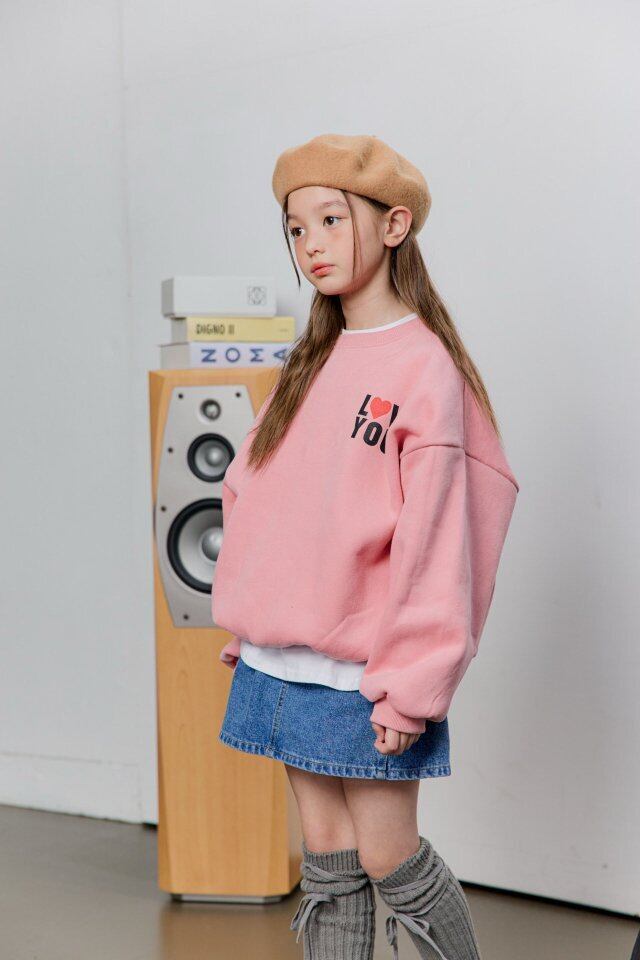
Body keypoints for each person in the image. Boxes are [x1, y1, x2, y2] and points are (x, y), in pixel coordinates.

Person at [211, 133, 520, 960]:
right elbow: (257, 498)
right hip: (283, 660)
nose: (310, 243)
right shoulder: (309, 361)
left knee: (390, 857)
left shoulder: (424, 368)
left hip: (365, 676)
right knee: (329, 860)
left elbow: (441, 542)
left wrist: (412, 687)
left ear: (394, 224)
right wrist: (251, 620)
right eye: (295, 228)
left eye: (330, 220)